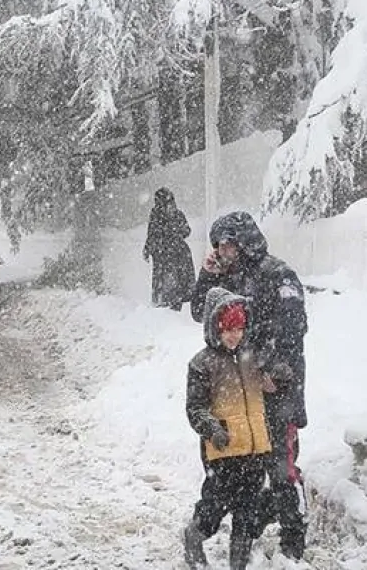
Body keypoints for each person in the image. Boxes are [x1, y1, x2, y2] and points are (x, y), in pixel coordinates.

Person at [190, 211, 309, 560]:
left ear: (243, 241)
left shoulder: (277, 275)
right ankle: (250, 523)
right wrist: (207, 275)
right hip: (238, 393)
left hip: (276, 391)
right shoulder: (226, 278)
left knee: (280, 466)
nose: (221, 251)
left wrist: (276, 372)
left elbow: (292, 332)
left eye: (225, 243)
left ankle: (293, 538)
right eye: (218, 245)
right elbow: (200, 312)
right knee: (243, 466)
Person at [183, 287, 274, 569]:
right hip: (223, 451)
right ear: (215, 328)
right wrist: (213, 430)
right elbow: (195, 408)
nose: (234, 335)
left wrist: (277, 379)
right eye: (227, 329)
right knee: (214, 508)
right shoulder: (202, 363)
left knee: (246, 514)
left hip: (255, 449)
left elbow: (268, 389)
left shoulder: (252, 358)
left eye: (239, 328)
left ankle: (239, 565)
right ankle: (194, 535)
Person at [142, 187, 195, 310]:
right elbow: (152, 234)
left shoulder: (176, 214)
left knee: (178, 278)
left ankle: (176, 301)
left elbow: (187, 231)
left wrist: (176, 233)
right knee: (168, 280)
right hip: (164, 253)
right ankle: (166, 303)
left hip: (175, 252)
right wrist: (148, 248)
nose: (171, 205)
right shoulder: (156, 216)